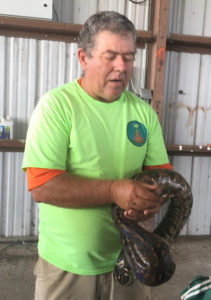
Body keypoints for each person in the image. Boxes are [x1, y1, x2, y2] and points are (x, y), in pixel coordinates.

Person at [22, 11, 172, 300]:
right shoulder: (56, 107)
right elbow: (42, 186)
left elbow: (161, 177)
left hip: (132, 261)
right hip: (69, 267)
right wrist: (115, 190)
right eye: (110, 55)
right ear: (83, 58)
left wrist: (149, 202)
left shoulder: (143, 113)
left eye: (128, 57)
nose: (121, 66)